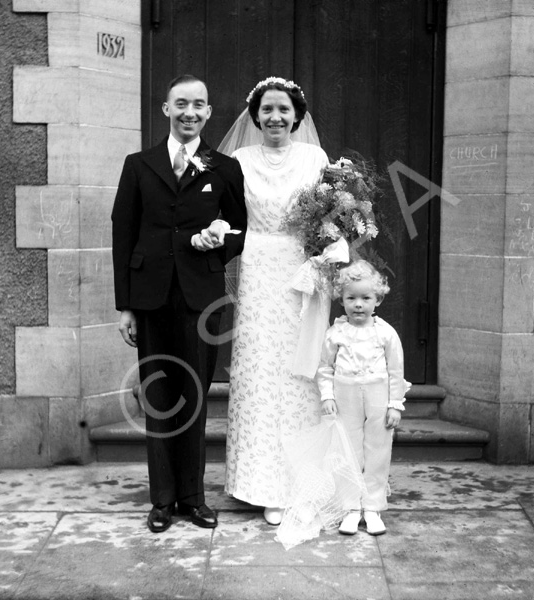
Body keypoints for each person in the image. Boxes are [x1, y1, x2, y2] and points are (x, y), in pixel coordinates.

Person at [111, 74, 247, 533]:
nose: (190, 112)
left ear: (209, 113)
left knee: (193, 397)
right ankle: (162, 501)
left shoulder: (224, 168)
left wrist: (218, 242)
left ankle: (193, 498)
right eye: (181, 104)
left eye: (199, 105)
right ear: (166, 109)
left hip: (200, 301)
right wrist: (125, 306)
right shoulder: (139, 164)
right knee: (159, 397)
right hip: (150, 299)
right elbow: (122, 232)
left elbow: (240, 231)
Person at [218, 77, 329, 525]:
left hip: (302, 269)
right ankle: (258, 481)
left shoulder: (315, 158)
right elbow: (225, 214)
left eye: (284, 109)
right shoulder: (239, 160)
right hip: (258, 268)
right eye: (267, 109)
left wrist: (333, 249)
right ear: (255, 115)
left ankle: (300, 481)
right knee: (260, 369)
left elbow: (329, 219)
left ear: (297, 115)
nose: (275, 117)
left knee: (299, 371)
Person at [316, 260, 410, 536]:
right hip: (346, 394)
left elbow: (395, 371)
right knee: (348, 449)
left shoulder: (385, 334)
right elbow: (324, 368)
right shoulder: (336, 334)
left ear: (377, 299)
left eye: (366, 298)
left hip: (378, 394)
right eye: (351, 298)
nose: (358, 305)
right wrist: (327, 396)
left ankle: (372, 507)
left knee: (378, 448)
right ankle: (350, 508)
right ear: (341, 299)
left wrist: (395, 405)